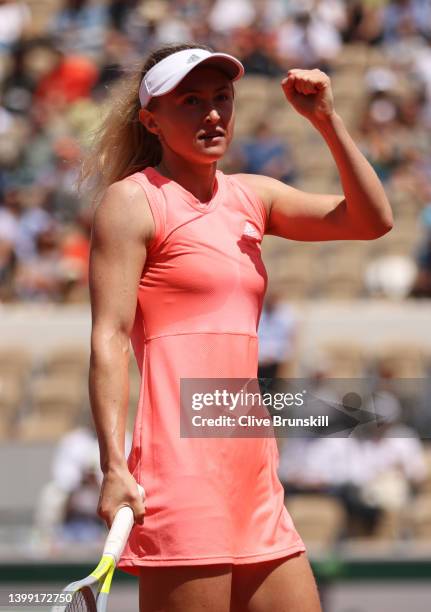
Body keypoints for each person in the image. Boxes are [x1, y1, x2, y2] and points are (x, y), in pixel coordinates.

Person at [84, 42, 393, 612]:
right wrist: (112, 466)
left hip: (251, 465)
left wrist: (326, 120)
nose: (212, 113)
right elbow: (107, 338)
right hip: (180, 464)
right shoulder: (131, 203)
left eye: (221, 98)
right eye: (191, 101)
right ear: (151, 120)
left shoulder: (253, 196)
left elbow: (372, 220)